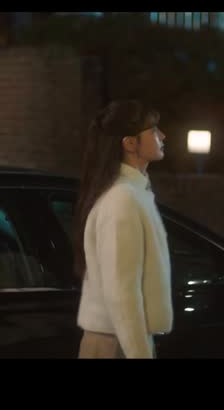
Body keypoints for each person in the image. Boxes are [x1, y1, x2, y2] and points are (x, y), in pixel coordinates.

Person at [73, 99, 172, 359]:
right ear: (129, 143)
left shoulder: (132, 193)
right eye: (153, 130)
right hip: (115, 342)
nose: (162, 136)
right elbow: (123, 292)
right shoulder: (123, 199)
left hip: (119, 339)